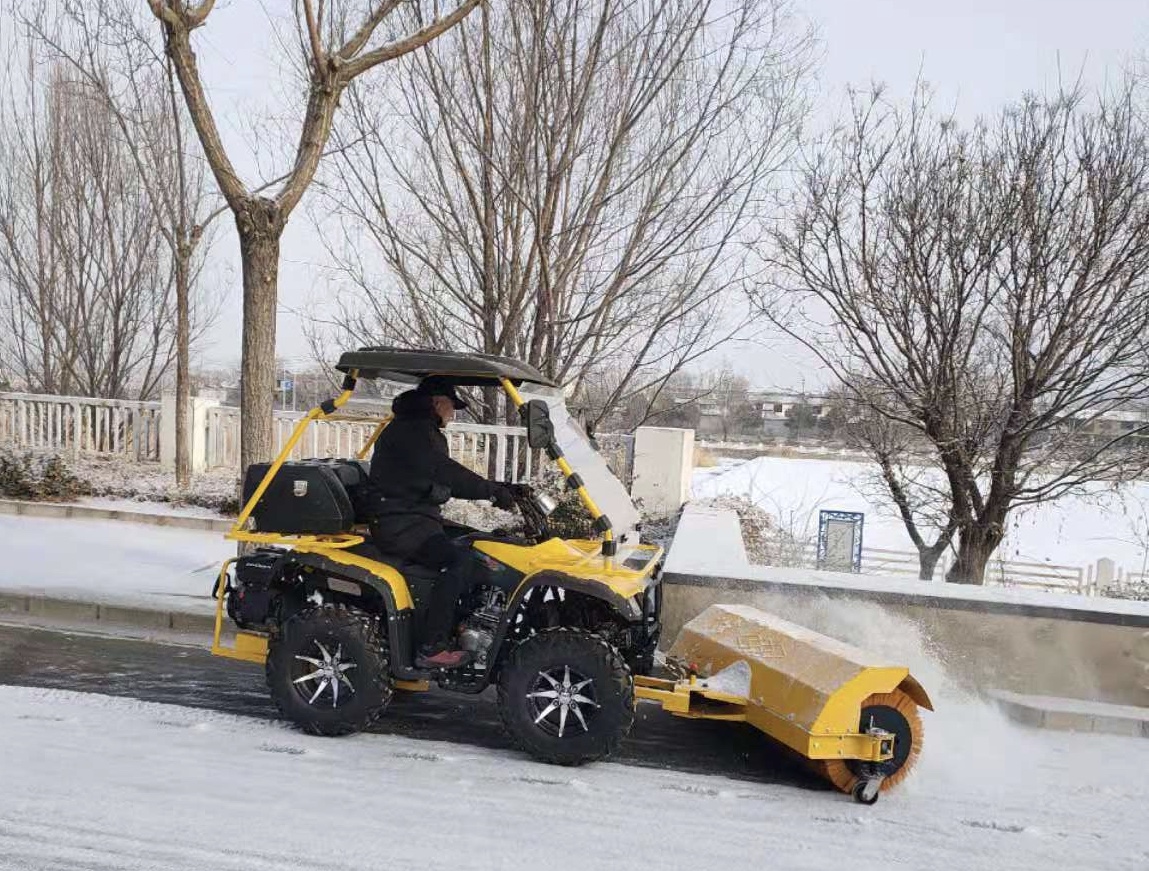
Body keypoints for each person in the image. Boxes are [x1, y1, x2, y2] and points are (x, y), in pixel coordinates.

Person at [367, 376, 517, 669]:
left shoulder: (419, 429)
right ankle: (431, 647)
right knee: (457, 562)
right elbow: (444, 472)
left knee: (479, 544)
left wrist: (501, 487)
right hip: (399, 524)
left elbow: (442, 478)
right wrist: (491, 491)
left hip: (416, 517)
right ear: (436, 402)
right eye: (451, 407)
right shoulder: (413, 432)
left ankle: (465, 623)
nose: (453, 414)